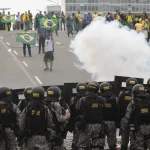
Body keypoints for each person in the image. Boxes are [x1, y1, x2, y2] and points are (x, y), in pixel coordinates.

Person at [76, 82, 105, 149]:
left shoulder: (82, 99)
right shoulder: (101, 99)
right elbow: (105, 109)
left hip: (86, 125)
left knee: (83, 145)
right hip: (98, 125)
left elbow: (77, 108)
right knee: (97, 145)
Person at [125, 84, 150, 150]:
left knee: (139, 146)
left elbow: (127, 116)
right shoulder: (149, 101)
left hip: (138, 128)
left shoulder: (132, 103)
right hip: (148, 127)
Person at [119, 77, 138, 150]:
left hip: (124, 119)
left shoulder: (121, 94)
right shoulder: (138, 97)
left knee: (124, 139)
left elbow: (118, 107)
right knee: (134, 139)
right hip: (134, 120)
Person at [100, 82, 119, 150]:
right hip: (111, 123)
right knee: (112, 144)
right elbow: (118, 110)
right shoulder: (115, 99)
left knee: (99, 143)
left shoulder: (99, 99)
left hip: (101, 123)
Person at [68, 83, 87, 150]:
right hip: (85, 122)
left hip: (76, 122)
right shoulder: (87, 99)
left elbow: (70, 111)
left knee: (75, 139)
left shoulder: (73, 99)